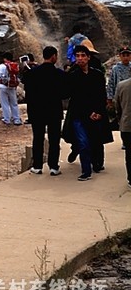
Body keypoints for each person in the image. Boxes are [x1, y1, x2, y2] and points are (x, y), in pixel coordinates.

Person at [63, 41, 110, 181]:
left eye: (83, 55)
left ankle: (97, 163)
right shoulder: (72, 75)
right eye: (77, 56)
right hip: (79, 115)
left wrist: (99, 112)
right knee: (83, 142)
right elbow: (73, 96)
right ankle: (86, 171)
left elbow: (101, 95)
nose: (80, 58)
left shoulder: (97, 75)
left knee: (96, 141)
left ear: (88, 57)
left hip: (96, 114)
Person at [23, 45, 66, 175]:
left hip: (37, 111)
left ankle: (37, 166)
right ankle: (53, 167)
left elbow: (28, 94)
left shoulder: (32, 73)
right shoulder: (59, 74)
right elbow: (65, 93)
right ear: (54, 56)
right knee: (54, 139)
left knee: (38, 139)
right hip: (54, 111)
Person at [0, 52, 22, 126]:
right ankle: (16, 119)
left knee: (5, 104)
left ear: (5, 58)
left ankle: (7, 119)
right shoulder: (15, 65)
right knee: (14, 103)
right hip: (12, 87)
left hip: (3, 87)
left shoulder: (3, 66)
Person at [114, 73, 131, 188]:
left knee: (129, 154)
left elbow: (117, 106)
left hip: (126, 126)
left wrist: (121, 119)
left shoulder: (122, 86)